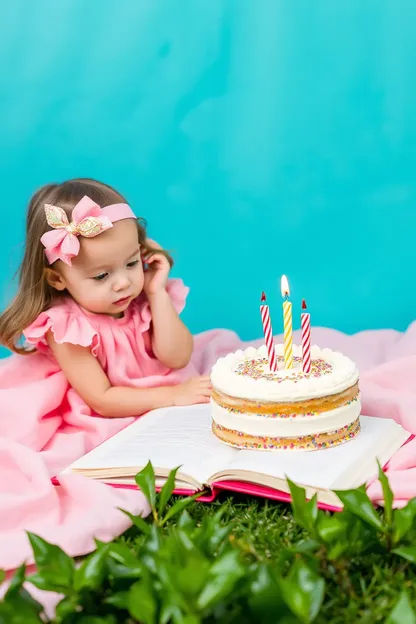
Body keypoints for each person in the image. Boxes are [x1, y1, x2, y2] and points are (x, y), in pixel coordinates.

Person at [0, 178, 212, 429]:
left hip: (165, 398)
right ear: (58, 279)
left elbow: (177, 358)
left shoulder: (144, 298)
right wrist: (174, 396)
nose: (123, 283)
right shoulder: (67, 328)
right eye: (102, 275)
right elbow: (102, 399)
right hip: (111, 415)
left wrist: (157, 294)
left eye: (132, 263)